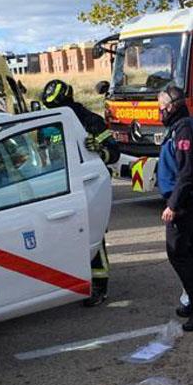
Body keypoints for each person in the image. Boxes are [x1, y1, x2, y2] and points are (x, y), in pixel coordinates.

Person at [41, 79, 120, 307]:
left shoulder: (90, 121)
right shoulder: (49, 124)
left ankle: (99, 286)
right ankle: (74, 282)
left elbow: (113, 153)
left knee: (93, 236)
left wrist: (99, 150)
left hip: (90, 188)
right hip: (60, 188)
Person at [157, 85, 193, 331]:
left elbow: (187, 171)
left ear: (172, 106)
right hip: (188, 198)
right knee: (192, 248)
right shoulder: (181, 127)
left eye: (161, 108)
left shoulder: (183, 129)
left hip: (186, 199)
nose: (160, 112)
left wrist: (173, 204)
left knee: (177, 251)